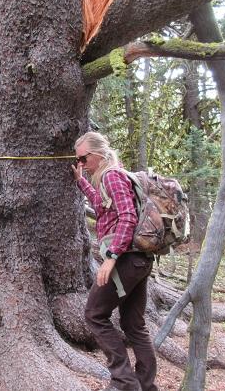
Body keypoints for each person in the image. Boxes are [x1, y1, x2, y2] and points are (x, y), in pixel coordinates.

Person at [72, 132, 158, 391]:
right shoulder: (108, 177)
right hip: (138, 260)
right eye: (79, 159)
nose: (82, 162)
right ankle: (144, 384)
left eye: (84, 158)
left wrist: (110, 259)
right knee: (133, 324)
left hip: (126, 260)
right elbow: (102, 206)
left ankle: (124, 382)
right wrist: (81, 182)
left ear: (98, 153)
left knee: (94, 314)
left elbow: (128, 217)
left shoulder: (112, 175)